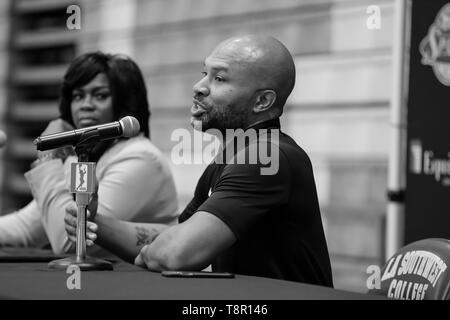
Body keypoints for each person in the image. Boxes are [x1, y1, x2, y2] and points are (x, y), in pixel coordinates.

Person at [65, 35, 333, 286]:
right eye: (204, 73)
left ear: (262, 101)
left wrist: (163, 250)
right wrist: (95, 222)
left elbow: (177, 253)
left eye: (219, 79)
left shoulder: (266, 156)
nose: (198, 87)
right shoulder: (233, 155)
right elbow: (179, 234)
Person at [0, 52, 179, 255]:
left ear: (123, 104)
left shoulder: (140, 158)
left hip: (142, 284)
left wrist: (47, 159)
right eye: (78, 96)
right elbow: (26, 229)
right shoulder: (80, 156)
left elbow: (71, 243)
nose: (85, 105)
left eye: (100, 95)